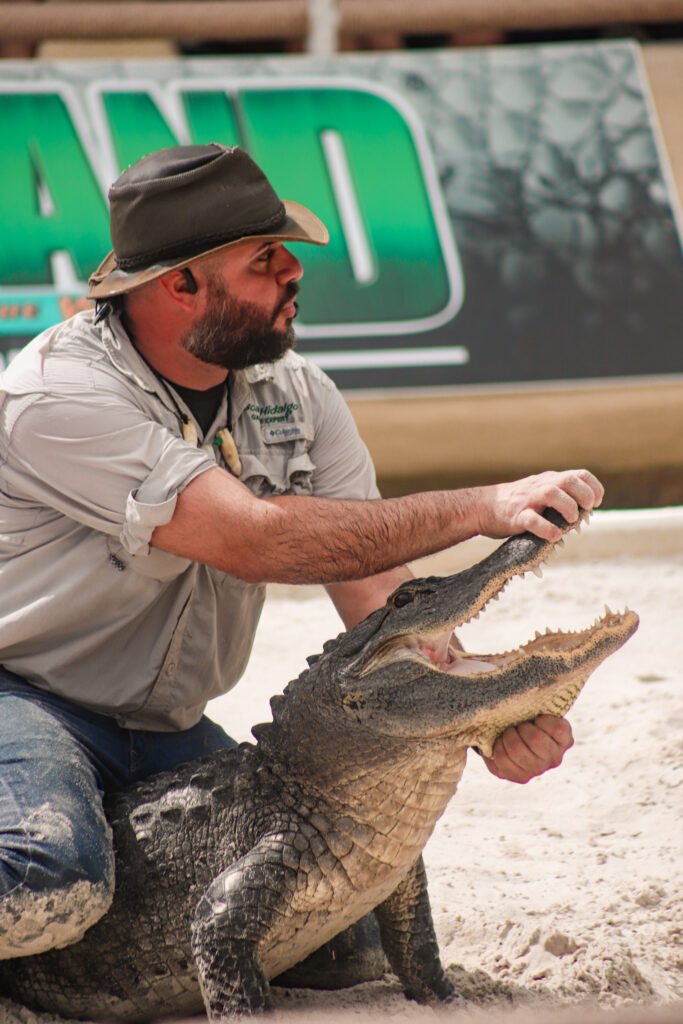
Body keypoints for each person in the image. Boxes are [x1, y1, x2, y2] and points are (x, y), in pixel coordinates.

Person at [0, 143, 602, 962]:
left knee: (340, 939)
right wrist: (482, 508)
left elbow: (383, 601)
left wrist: (487, 715)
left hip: (164, 725)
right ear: (179, 285)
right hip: (24, 700)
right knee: (45, 882)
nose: (294, 271)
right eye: (265, 258)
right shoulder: (56, 394)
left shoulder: (298, 393)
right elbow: (255, 540)